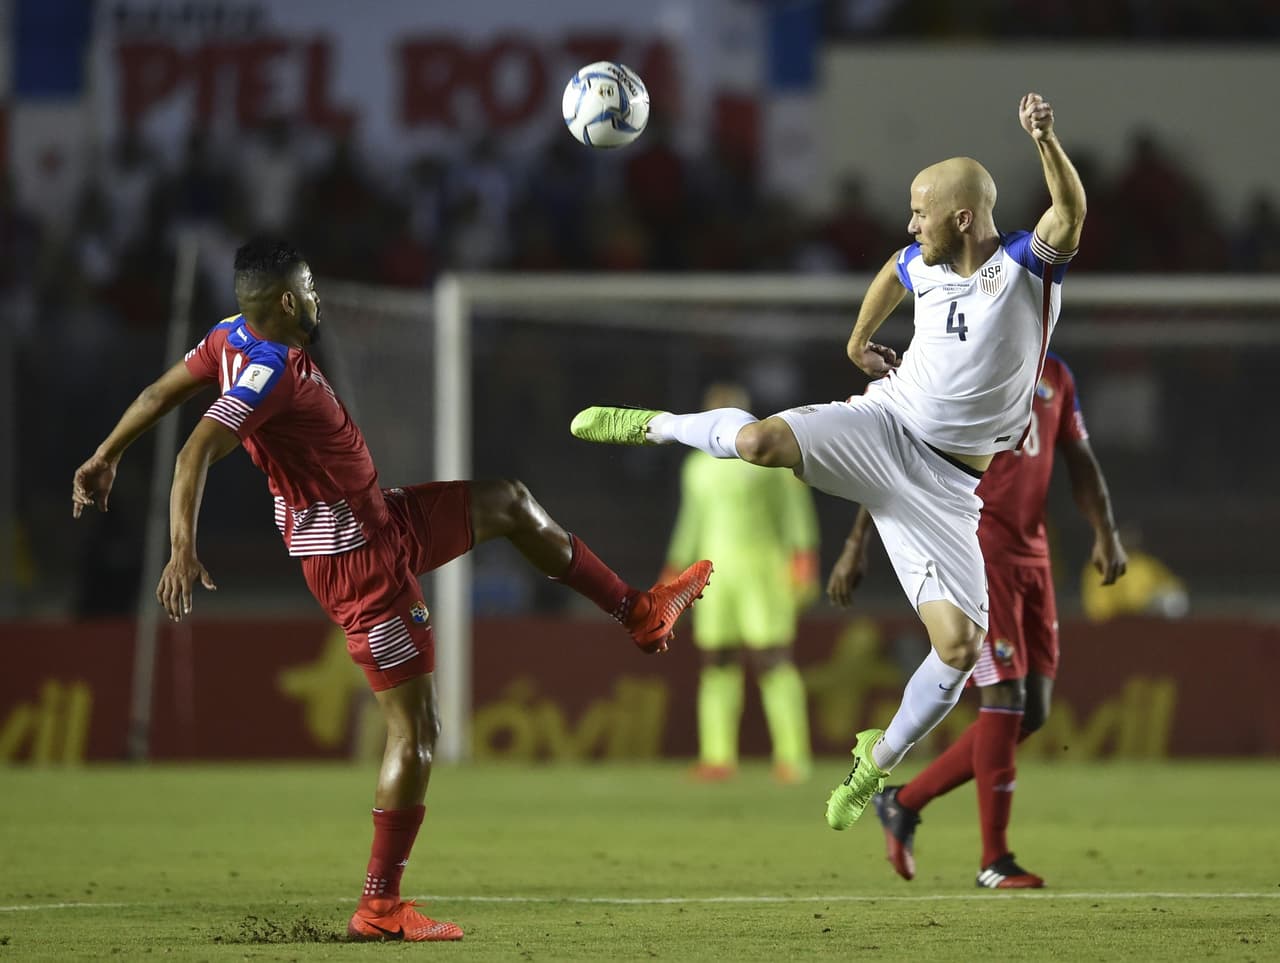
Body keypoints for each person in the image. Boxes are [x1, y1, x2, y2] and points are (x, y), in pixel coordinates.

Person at [71, 238, 713, 942]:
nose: (318, 299)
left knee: (508, 501)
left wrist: (105, 455)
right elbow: (197, 446)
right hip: (360, 562)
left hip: (381, 517)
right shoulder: (267, 368)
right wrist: (181, 547)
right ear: (286, 301)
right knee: (418, 731)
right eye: (311, 288)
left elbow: (156, 393)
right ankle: (379, 905)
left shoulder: (227, 336)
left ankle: (638, 610)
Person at [568, 92, 1086, 832]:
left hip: (949, 488)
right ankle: (655, 425)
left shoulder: (1021, 269)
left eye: (921, 210)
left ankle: (876, 759)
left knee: (960, 649)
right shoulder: (925, 262)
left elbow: (1068, 211)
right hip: (885, 423)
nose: (911, 224)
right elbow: (894, 269)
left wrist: (1044, 139)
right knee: (757, 443)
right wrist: (857, 339)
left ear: (963, 217)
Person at [827, 352, 1127, 888]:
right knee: (1005, 700)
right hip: (972, 552)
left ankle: (904, 801)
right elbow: (893, 456)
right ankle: (994, 859)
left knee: (1031, 712)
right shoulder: (961, 361)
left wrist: (1105, 531)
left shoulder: (1057, 376)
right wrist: (856, 545)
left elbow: (1079, 458)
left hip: (1033, 558)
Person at [663, 382, 820, 784]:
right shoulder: (697, 466)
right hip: (713, 573)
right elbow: (691, 523)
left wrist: (803, 559)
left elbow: (794, 512)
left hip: (763, 567)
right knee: (717, 659)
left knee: (772, 657)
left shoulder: (765, 456)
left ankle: (792, 756)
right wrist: (674, 570)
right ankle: (717, 756)